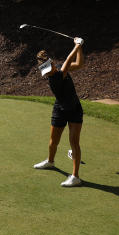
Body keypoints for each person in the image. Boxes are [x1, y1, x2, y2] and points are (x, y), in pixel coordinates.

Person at [33, 37, 86, 187]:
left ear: (51, 64)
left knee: (74, 142)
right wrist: (77, 45)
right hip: (60, 109)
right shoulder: (56, 76)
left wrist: (79, 48)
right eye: (47, 71)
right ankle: (50, 161)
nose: (49, 72)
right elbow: (69, 60)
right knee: (53, 141)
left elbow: (79, 64)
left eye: (49, 68)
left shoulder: (61, 70)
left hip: (74, 109)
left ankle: (75, 177)